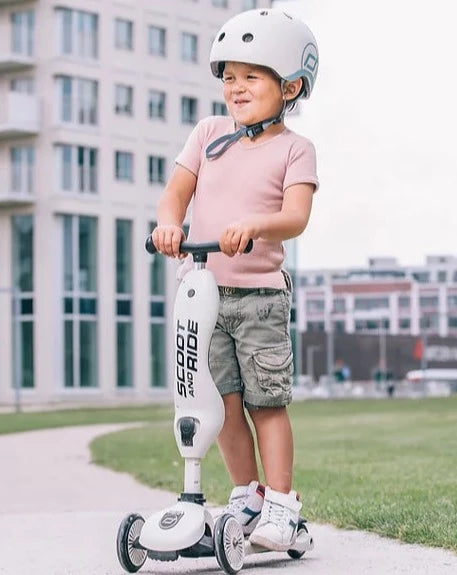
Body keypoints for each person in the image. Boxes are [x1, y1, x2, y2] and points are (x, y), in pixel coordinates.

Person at [151, 8, 319, 551]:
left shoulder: (295, 149)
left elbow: (295, 216)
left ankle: (281, 506)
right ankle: (246, 495)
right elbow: (177, 191)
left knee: (265, 402)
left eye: (252, 75)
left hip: (259, 298)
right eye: (229, 76)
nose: (236, 87)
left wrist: (255, 225)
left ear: (290, 84)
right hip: (201, 292)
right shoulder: (207, 134)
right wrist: (169, 223)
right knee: (217, 405)